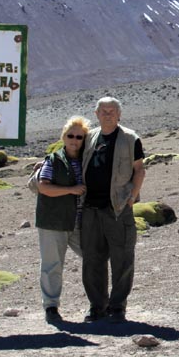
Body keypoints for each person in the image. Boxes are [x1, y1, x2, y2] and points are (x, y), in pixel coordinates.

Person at [80, 96, 145, 323]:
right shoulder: (89, 138)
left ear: (119, 114)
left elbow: (139, 169)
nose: (108, 114)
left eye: (112, 111)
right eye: (103, 111)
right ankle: (97, 306)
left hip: (117, 207)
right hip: (90, 208)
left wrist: (133, 196)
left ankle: (117, 307)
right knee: (92, 259)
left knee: (122, 258)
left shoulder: (130, 138)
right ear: (96, 114)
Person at [34, 116, 90, 323]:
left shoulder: (86, 159)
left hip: (80, 220)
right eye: (70, 136)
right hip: (54, 220)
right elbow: (43, 186)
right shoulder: (53, 160)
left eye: (79, 137)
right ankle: (50, 307)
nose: (74, 140)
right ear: (63, 137)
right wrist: (71, 190)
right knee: (52, 265)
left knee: (94, 258)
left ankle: (99, 302)